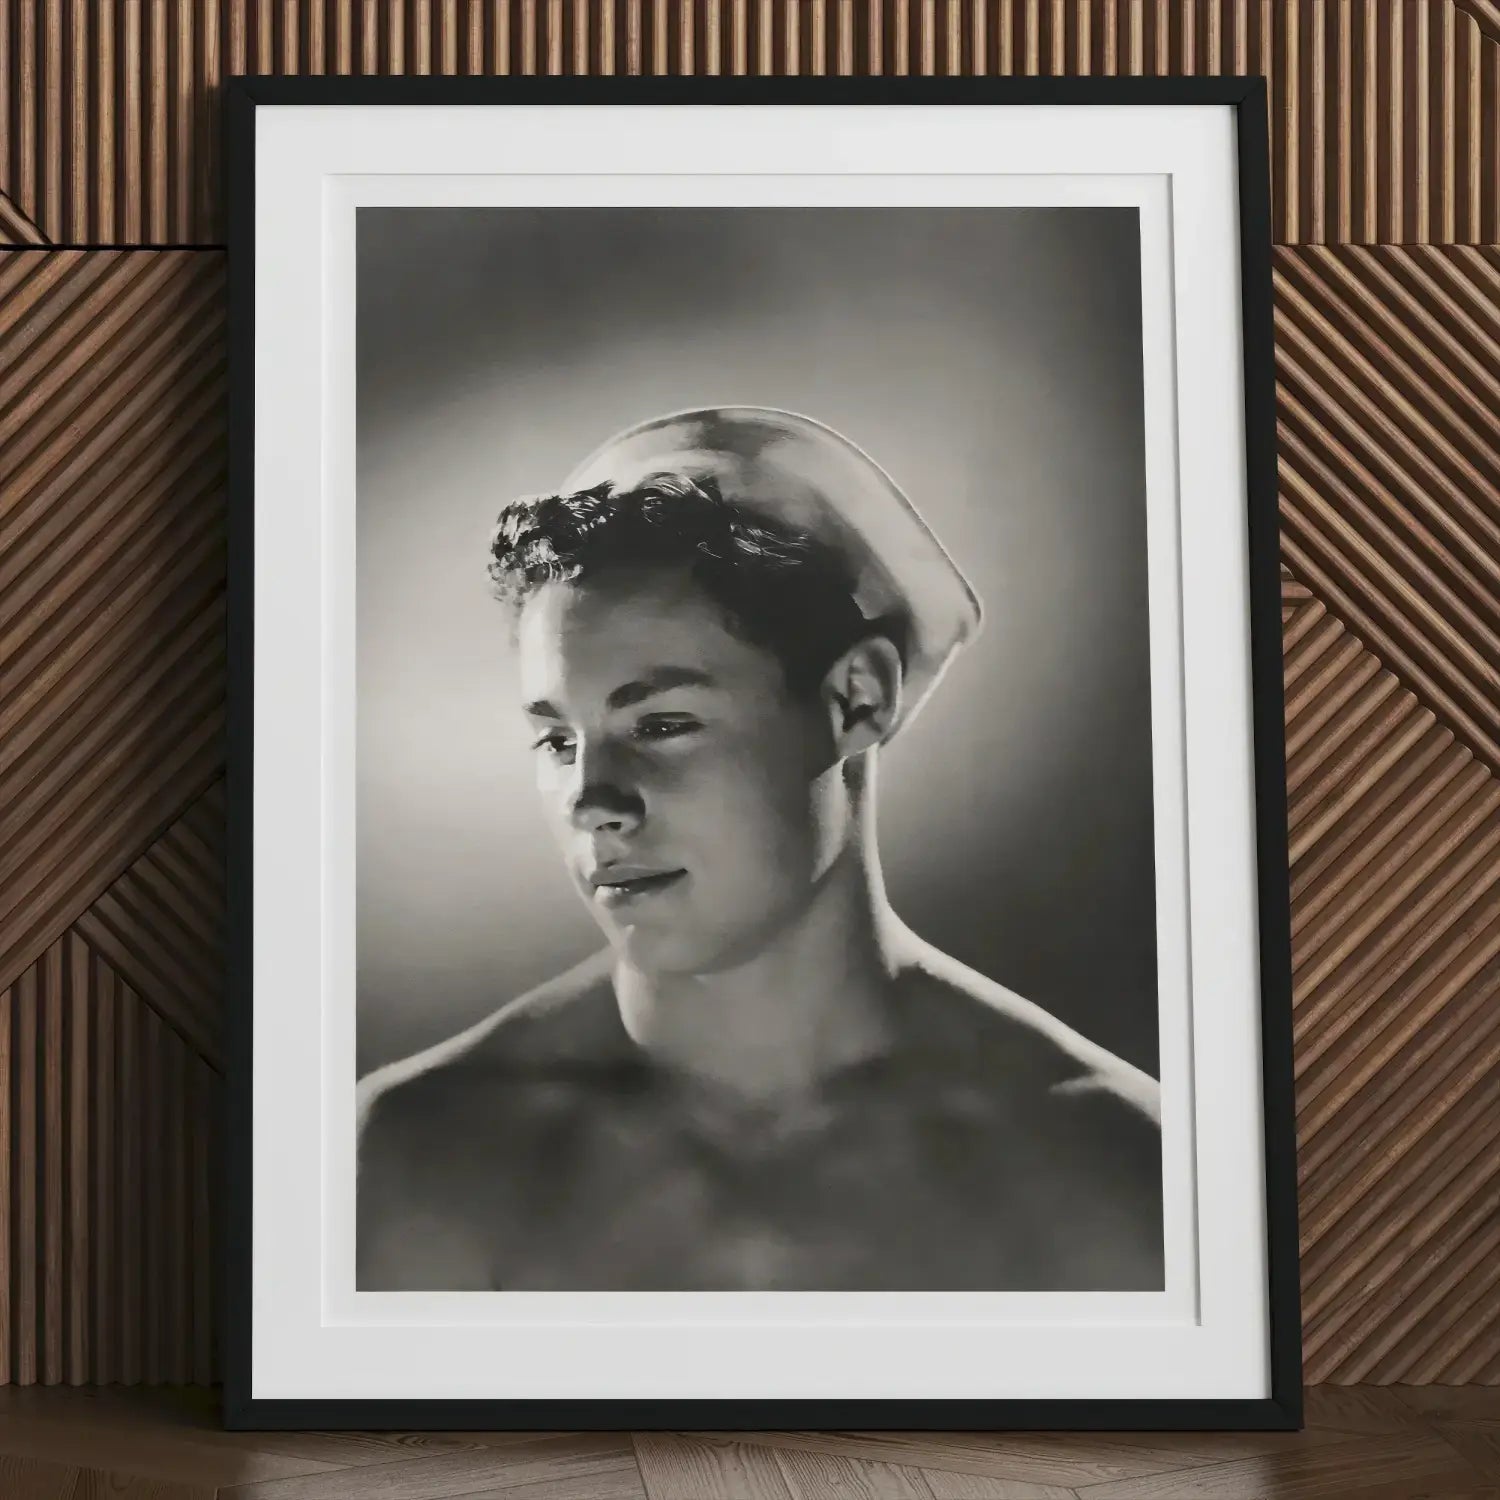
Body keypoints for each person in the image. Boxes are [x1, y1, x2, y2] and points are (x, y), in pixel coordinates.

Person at [356, 407, 1163, 1292]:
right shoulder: (408, 1160)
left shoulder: (1108, 1170)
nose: (593, 801)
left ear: (858, 699)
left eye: (661, 724)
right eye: (557, 741)